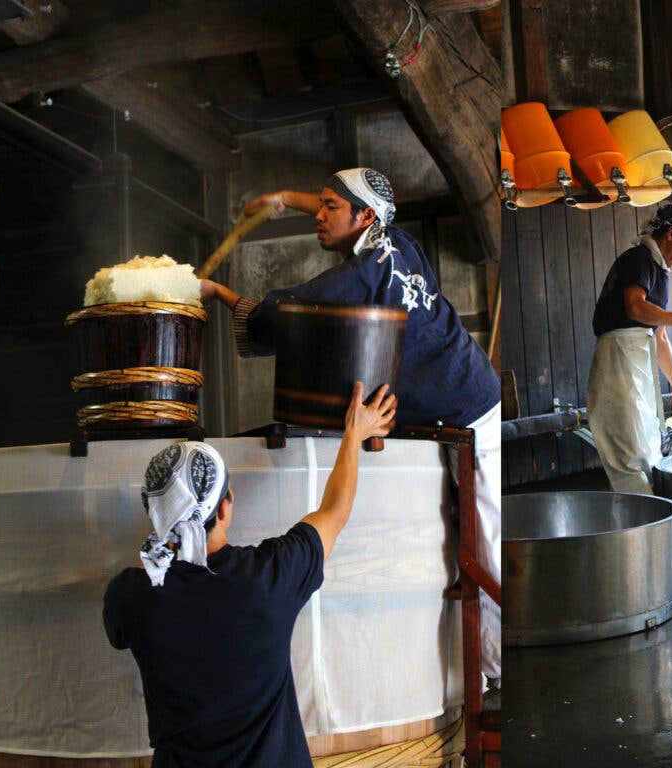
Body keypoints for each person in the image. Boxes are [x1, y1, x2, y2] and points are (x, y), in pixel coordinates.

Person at [198, 168, 501, 686]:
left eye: (328, 209)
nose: (317, 214)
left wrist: (216, 292)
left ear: (363, 217)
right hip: (465, 389)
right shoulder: (395, 239)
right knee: (476, 534)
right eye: (317, 204)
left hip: (467, 406)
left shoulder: (360, 275)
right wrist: (279, 195)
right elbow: (333, 205)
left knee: (488, 542)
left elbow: (287, 312)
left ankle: (493, 672)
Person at [103, 382, 396, 767]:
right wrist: (354, 433)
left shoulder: (131, 596)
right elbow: (334, 511)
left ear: (155, 518)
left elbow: (125, 624)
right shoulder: (271, 576)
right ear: (225, 508)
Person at [586, 205, 672, 495]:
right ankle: (641, 530)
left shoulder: (660, 270)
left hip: (638, 362)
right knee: (630, 452)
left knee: (647, 447)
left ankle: (653, 525)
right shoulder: (638, 258)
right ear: (671, 233)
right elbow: (635, 307)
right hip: (618, 359)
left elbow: (660, 337)